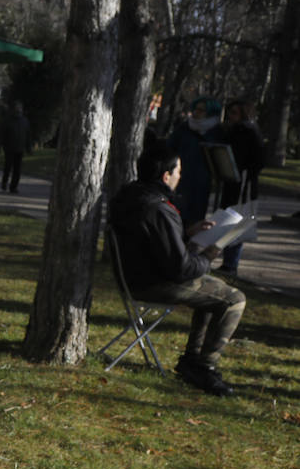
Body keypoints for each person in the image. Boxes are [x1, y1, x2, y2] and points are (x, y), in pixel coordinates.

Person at [107, 141, 246, 397]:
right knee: (234, 299)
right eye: (178, 171)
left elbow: (154, 241)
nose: (180, 177)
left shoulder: (131, 195)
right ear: (165, 175)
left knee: (214, 292)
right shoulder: (158, 208)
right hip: (154, 283)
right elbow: (181, 268)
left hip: (135, 276)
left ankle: (192, 361)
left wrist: (187, 232)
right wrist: (209, 254)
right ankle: (204, 366)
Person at [218, 99, 265, 277]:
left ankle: (231, 263)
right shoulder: (235, 131)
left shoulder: (248, 132)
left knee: (237, 221)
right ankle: (227, 260)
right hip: (233, 182)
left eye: (234, 113)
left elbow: (258, 160)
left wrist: (244, 172)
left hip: (243, 184)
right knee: (228, 219)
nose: (231, 117)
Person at [168, 96, 226, 226]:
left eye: (201, 110)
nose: (196, 112)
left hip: (201, 181)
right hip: (181, 177)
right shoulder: (184, 128)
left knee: (196, 217)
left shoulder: (217, 132)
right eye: (196, 109)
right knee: (177, 214)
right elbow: (170, 148)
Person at [0, 100, 30, 194]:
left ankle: (13, 186)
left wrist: (28, 147)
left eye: (20, 108)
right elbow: (2, 134)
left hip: (19, 149)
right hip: (9, 148)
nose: (19, 110)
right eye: (17, 108)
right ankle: (4, 182)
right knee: (8, 167)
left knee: (17, 169)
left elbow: (27, 135)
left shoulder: (24, 121)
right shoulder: (8, 121)